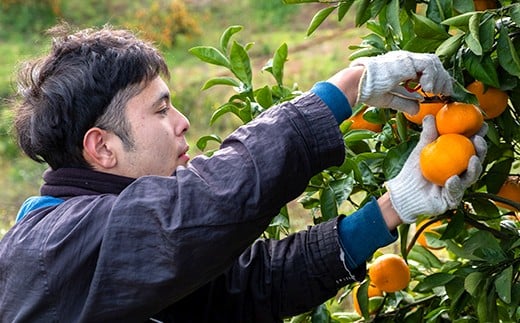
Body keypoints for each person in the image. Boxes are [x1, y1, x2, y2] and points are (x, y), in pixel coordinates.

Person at [0, 24, 486, 322]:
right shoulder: (51, 249)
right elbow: (201, 206)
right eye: (160, 110)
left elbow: (249, 289)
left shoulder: (98, 250)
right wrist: (347, 87)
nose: (183, 121)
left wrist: (392, 207)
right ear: (101, 147)